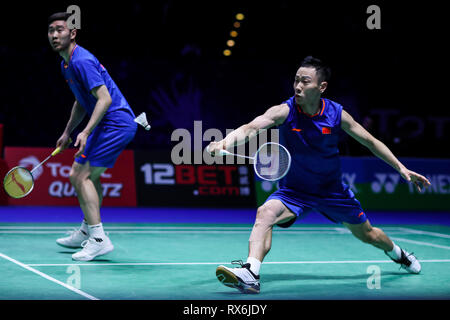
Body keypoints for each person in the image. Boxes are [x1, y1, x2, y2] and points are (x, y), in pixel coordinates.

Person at [207, 56, 431, 294]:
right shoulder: (285, 111)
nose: (298, 86)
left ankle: (399, 254)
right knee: (265, 214)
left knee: (369, 235)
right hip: (295, 192)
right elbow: (252, 127)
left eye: (305, 81)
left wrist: (401, 168)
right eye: (295, 81)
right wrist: (224, 142)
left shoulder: (336, 114)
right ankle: (251, 272)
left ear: (321, 87)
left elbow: (370, 142)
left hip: (332, 191)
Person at [47, 12, 137, 261]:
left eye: (60, 30)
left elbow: (105, 99)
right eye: (51, 30)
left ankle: (98, 239)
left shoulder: (81, 61)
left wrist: (85, 131)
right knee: (87, 174)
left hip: (116, 122)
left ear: (72, 33)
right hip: (111, 122)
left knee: (78, 174)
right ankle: (89, 229)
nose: (54, 35)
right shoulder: (66, 63)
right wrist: (68, 132)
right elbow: (81, 101)